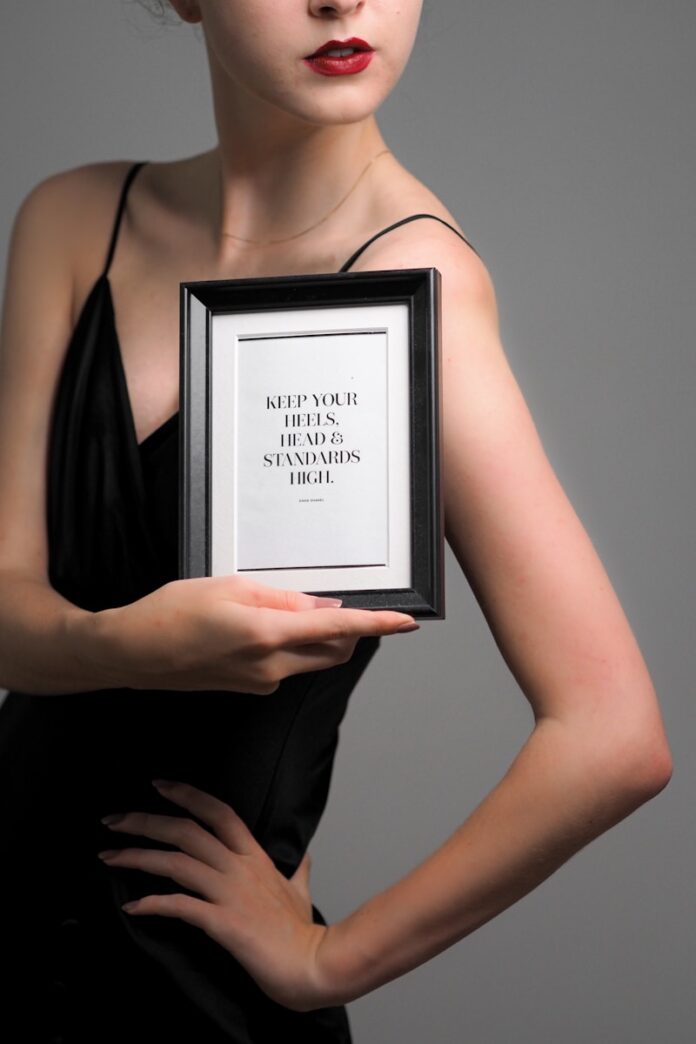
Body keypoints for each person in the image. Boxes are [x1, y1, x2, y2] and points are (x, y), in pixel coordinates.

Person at [0, 0, 673, 1041]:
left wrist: (327, 959)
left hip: (179, 992)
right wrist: (135, 643)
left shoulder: (426, 290)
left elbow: (614, 736)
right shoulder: (73, 220)